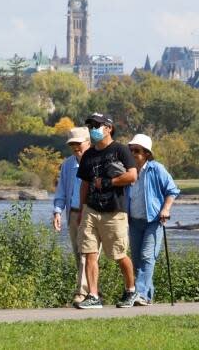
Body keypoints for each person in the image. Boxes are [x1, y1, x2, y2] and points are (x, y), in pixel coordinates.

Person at [76, 112, 138, 309]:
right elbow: (84, 184)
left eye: (97, 125)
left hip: (114, 210)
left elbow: (132, 176)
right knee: (89, 252)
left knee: (119, 254)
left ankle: (131, 290)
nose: (93, 130)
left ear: (108, 128)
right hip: (91, 210)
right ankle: (93, 295)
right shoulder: (88, 154)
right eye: (91, 126)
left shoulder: (120, 150)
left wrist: (109, 182)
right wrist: (81, 209)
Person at [127, 134, 180, 305]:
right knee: (136, 260)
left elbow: (172, 190)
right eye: (131, 150)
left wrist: (165, 209)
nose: (133, 153)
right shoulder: (129, 170)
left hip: (153, 220)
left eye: (136, 150)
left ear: (147, 153)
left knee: (147, 256)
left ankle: (141, 294)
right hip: (134, 221)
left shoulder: (156, 168)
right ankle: (147, 297)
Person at [52, 126, 93, 306]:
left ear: (88, 142)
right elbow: (61, 190)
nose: (76, 147)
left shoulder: (96, 161)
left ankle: (80, 293)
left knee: (86, 254)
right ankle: (92, 292)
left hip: (91, 214)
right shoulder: (68, 164)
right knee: (79, 256)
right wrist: (57, 211)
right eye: (72, 145)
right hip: (73, 214)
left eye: (79, 143)